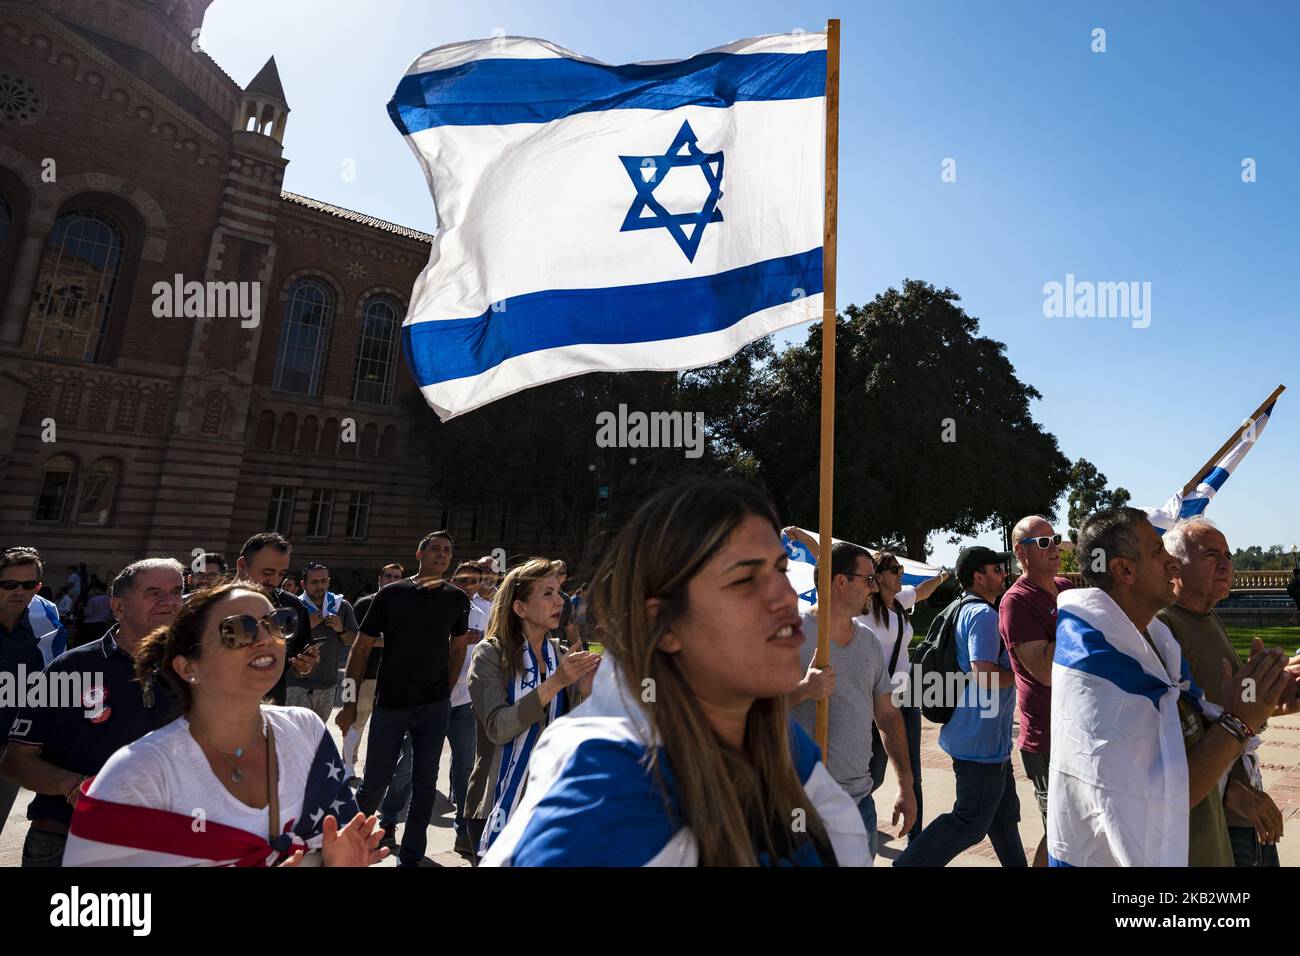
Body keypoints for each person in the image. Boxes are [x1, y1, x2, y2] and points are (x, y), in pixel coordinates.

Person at [482, 478, 871, 867]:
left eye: (781, 569)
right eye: (746, 579)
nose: (786, 596)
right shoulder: (609, 794)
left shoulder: (772, 735)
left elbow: (844, 844)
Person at [62, 582, 387, 866]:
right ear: (188, 667)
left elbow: (335, 842)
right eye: (238, 630)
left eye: (277, 623)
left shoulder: (306, 730)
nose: (265, 639)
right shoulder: (136, 773)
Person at [1048, 507, 1291, 866]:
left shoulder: (1155, 644)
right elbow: (1157, 792)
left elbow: (1189, 732)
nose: (1172, 564)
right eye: (1158, 552)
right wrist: (1239, 721)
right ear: (1124, 570)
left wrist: (1263, 697)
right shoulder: (1103, 672)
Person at [2, 559, 184, 866]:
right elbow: (15, 762)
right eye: (154, 593)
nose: (170, 602)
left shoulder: (196, 672)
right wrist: (73, 786)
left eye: (177, 591)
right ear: (118, 607)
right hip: (66, 840)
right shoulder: (68, 669)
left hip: (162, 845)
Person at [1158, 517, 1300, 867]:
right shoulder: (1162, 628)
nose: (1226, 564)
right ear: (1174, 566)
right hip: (1219, 815)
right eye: (1210, 555)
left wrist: (1279, 690)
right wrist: (1230, 794)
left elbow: (1235, 704)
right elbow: (1169, 737)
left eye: (1228, 554)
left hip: (1247, 805)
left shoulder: (1207, 616)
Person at [336, 531, 470, 867]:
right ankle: (344, 849)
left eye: (447, 550)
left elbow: (458, 647)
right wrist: (350, 701)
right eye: (435, 549)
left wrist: (447, 689)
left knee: (424, 786)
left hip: (433, 707)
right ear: (419, 553)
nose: (442, 555)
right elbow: (360, 648)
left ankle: (410, 859)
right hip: (391, 703)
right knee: (374, 783)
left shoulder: (456, 599)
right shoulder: (391, 595)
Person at [896, 546, 1024, 867]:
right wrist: (1024, 672)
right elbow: (984, 674)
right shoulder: (982, 614)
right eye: (996, 569)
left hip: (978, 734)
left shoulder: (962, 608)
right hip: (980, 741)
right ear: (978, 577)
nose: (1003, 574)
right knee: (968, 822)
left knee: (1003, 819)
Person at [788, 542, 916, 861]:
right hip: (801, 802)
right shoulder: (790, 636)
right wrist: (803, 690)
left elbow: (886, 715)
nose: (874, 588)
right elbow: (751, 707)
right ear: (840, 582)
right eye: (869, 579)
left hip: (858, 803)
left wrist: (906, 784)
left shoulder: (868, 641)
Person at [466, 558, 598, 861]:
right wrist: (555, 683)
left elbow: (574, 733)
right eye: (547, 593)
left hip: (549, 802)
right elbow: (498, 728)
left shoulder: (561, 654)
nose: (559, 601)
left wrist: (587, 692)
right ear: (520, 608)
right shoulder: (490, 654)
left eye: (559, 592)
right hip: (495, 802)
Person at [999, 515, 1073, 867]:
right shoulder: (1016, 601)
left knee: (1073, 826)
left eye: (1055, 539)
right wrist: (1073, 619)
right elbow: (1044, 671)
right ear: (1021, 553)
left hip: (1081, 731)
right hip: (1047, 738)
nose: (1054, 547)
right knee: (1062, 830)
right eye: (1043, 543)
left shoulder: (1066, 587)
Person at [863, 551, 947, 843]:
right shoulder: (863, 608)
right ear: (878, 576)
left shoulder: (901, 602)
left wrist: (942, 577)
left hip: (906, 697)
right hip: (875, 700)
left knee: (912, 775)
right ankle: (845, 810)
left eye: (900, 568)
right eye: (894, 569)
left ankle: (916, 845)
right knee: (874, 774)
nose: (900, 573)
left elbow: (923, 590)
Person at [0, 547, 68, 836]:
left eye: (29, 585)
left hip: (11, 743)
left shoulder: (46, 617)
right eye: (9, 584)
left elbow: (55, 676)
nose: (19, 592)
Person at [234, 533, 320, 706]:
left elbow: (303, 657)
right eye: (267, 572)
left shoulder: (291, 606)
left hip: (269, 709)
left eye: (281, 574)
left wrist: (306, 665)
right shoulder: (211, 607)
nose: (274, 581)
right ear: (242, 565)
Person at [344, 563, 406, 782]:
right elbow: (357, 640)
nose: (392, 579)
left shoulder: (406, 605)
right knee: (357, 721)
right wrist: (387, 641)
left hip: (393, 675)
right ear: (380, 578)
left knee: (388, 726)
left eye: (397, 576)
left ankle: (379, 769)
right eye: (388, 575)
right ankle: (348, 764)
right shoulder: (366, 603)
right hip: (365, 673)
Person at [286, 563, 358, 725]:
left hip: (328, 684)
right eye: (314, 582)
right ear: (303, 584)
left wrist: (341, 630)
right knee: (297, 734)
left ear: (329, 582)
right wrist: (304, 627)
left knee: (316, 737)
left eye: (323, 581)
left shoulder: (341, 606)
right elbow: (281, 642)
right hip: (296, 683)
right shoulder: (294, 605)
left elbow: (354, 641)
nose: (320, 586)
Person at [448, 561, 487, 856]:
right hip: (431, 701)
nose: (468, 585)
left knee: (464, 769)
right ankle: (387, 821)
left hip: (465, 703)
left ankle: (463, 834)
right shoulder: (435, 607)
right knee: (407, 768)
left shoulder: (482, 614)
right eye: (464, 579)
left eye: (474, 581)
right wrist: (454, 642)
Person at [76, 582, 113, 649]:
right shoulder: (110, 600)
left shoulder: (93, 599)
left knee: (84, 644)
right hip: (102, 624)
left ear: (98, 589)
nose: (93, 591)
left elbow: (88, 613)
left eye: (94, 589)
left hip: (89, 624)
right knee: (95, 644)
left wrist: (83, 609)